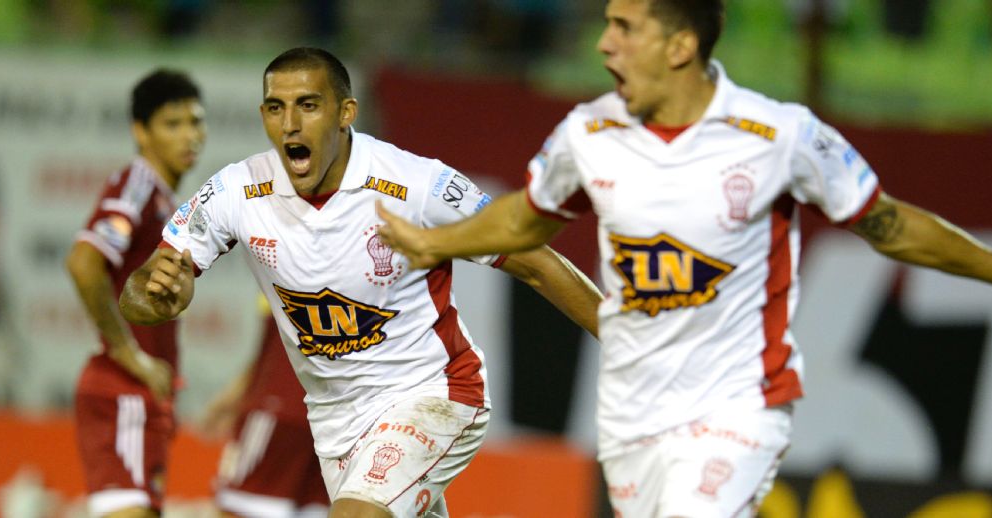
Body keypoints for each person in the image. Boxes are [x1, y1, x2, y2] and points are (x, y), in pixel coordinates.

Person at [373, 0, 992, 516]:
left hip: (738, 407)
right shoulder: (587, 136)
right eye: (605, 24)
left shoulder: (780, 137)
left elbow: (891, 226)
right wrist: (433, 240)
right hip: (633, 415)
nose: (605, 43)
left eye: (624, 27)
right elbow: (526, 219)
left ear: (681, 45)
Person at [118, 47, 601, 518]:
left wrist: (634, 342)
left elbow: (536, 262)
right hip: (334, 420)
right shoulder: (235, 190)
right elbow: (142, 290)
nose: (290, 124)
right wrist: (158, 296)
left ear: (346, 111)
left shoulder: (416, 185)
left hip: (432, 391)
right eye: (275, 108)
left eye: (308, 105)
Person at [66, 69, 205, 518]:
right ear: (139, 131)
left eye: (195, 121)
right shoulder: (137, 182)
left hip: (144, 397)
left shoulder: (165, 201)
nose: (189, 135)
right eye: (172, 123)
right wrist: (129, 354)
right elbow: (84, 262)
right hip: (122, 389)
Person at [200, 297, 329, 518]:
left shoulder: (285, 269)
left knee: (242, 506)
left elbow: (274, 348)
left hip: (277, 409)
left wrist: (235, 396)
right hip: (334, 417)